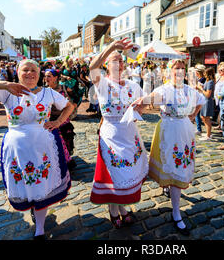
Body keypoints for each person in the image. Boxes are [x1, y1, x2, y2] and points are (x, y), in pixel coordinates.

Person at [0, 59, 75, 239]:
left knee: (42, 185)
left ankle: (40, 227)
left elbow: (69, 106)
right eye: (25, 69)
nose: (30, 73)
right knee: (26, 184)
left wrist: (57, 122)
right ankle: (34, 211)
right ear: (18, 72)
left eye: (34, 70)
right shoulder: (8, 92)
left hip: (44, 146)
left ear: (40, 73)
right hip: (18, 148)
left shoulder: (49, 93)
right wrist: (5, 84)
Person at [133, 59, 205, 235]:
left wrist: (193, 114)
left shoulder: (189, 90)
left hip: (185, 131)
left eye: (182, 68)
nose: (179, 71)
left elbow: (201, 100)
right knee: (172, 165)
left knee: (179, 166)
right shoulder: (165, 89)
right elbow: (153, 98)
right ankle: (176, 211)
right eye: (176, 68)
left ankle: (175, 206)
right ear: (169, 72)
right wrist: (141, 101)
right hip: (169, 130)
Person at [88, 38, 148, 229]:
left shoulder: (132, 84)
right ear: (106, 64)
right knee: (114, 173)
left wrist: (140, 108)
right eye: (114, 60)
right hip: (111, 133)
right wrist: (111, 48)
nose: (119, 63)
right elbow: (92, 66)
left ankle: (122, 207)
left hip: (130, 132)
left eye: (121, 60)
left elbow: (143, 106)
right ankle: (114, 210)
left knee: (126, 172)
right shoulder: (102, 83)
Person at [44, 69, 77, 171]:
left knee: (65, 141)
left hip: (63, 118)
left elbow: (76, 96)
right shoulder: (44, 91)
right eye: (45, 76)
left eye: (49, 76)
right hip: (50, 119)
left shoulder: (63, 87)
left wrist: (74, 105)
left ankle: (66, 162)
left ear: (55, 78)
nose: (46, 78)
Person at [197, 67, 216, 141]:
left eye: (205, 73)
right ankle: (208, 133)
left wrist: (201, 89)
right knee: (203, 117)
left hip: (207, 101)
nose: (204, 74)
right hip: (204, 101)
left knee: (206, 118)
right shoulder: (207, 81)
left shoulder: (210, 82)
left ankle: (208, 135)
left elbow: (208, 94)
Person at [194, 64, 206, 135]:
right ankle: (199, 128)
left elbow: (201, 89)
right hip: (199, 97)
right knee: (198, 114)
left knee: (199, 114)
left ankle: (199, 129)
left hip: (201, 98)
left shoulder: (202, 79)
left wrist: (197, 88)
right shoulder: (201, 79)